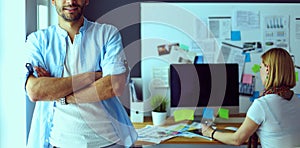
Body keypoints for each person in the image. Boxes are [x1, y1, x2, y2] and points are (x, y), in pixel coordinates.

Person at [24, 0, 137, 147]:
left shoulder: (107, 34)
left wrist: (62, 96)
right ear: (52, 0)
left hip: (109, 142)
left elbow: (113, 86)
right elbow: (35, 91)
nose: (71, 2)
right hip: (58, 142)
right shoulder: (38, 41)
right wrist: (93, 76)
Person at [202, 48, 300, 148]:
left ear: (267, 69)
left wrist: (210, 132)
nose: (259, 71)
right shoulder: (296, 101)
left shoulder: (262, 104)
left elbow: (236, 139)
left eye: (260, 67)